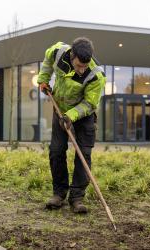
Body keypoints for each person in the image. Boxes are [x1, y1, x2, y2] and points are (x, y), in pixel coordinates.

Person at [37, 37, 105, 213]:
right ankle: (59, 194)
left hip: (84, 115)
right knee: (56, 150)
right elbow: (47, 60)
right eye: (78, 65)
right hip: (60, 109)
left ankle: (77, 198)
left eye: (85, 65)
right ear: (72, 55)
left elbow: (90, 104)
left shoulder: (96, 75)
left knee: (83, 154)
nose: (82, 70)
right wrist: (43, 79)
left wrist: (71, 116)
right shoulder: (58, 52)